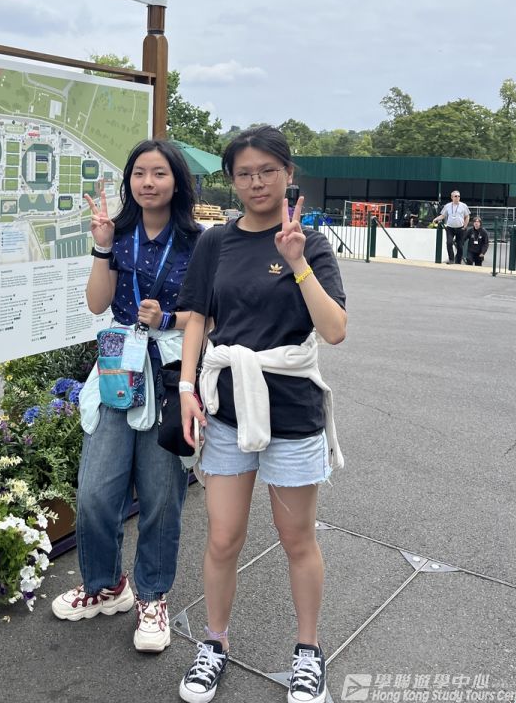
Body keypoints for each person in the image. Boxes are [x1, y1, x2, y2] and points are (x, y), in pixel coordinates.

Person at [176, 125, 347, 703]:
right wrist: (186, 387)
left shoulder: (311, 244)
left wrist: (297, 262)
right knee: (223, 537)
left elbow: (334, 330)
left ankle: (308, 652)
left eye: (268, 171)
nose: (256, 182)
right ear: (232, 179)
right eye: (244, 173)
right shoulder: (214, 242)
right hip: (227, 408)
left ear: (288, 174)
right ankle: (214, 643)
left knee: (297, 538)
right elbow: (197, 318)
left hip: (291, 413)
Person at [51, 139, 202, 653]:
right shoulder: (117, 234)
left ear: (176, 182)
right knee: (95, 490)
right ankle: (106, 585)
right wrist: (100, 247)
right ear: (129, 181)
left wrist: (169, 318)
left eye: (159, 173)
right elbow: (97, 304)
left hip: (169, 371)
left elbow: (210, 315)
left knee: (161, 495)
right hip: (118, 366)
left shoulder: (198, 241)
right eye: (139, 173)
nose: (148, 182)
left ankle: (153, 597)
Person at [433, 190, 471, 264]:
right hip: (450, 228)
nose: (457, 198)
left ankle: (458, 261)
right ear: (452, 197)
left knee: (460, 246)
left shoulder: (463, 206)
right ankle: (451, 259)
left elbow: (467, 216)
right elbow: (443, 215)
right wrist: (436, 219)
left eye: (458, 196)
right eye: (455, 196)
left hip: (460, 228)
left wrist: (465, 226)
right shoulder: (447, 206)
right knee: (449, 243)